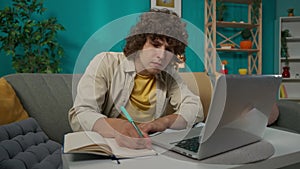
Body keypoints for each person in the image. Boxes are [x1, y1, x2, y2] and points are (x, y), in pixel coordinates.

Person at [68, 8, 204, 150]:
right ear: (140, 43)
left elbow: (195, 108)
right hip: (112, 146)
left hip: (150, 146)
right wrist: (119, 127)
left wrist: (162, 123)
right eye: (155, 45)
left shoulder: (169, 74)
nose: (161, 55)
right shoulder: (106, 62)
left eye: (169, 50)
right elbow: (80, 114)